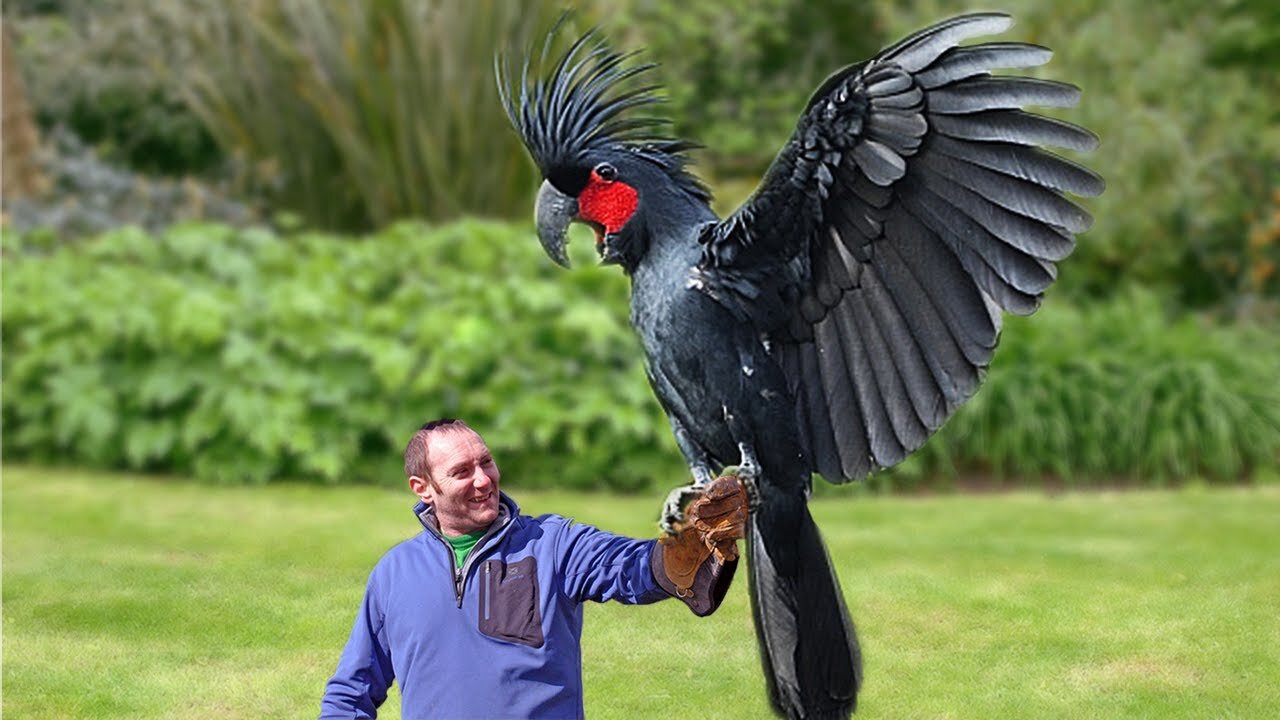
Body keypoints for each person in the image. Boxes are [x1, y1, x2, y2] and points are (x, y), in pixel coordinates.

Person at [318, 418, 748, 719]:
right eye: (462, 472)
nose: (484, 480)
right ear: (423, 488)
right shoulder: (394, 573)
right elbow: (351, 691)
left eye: (485, 462)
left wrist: (680, 550)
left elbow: (628, 566)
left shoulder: (552, 544)